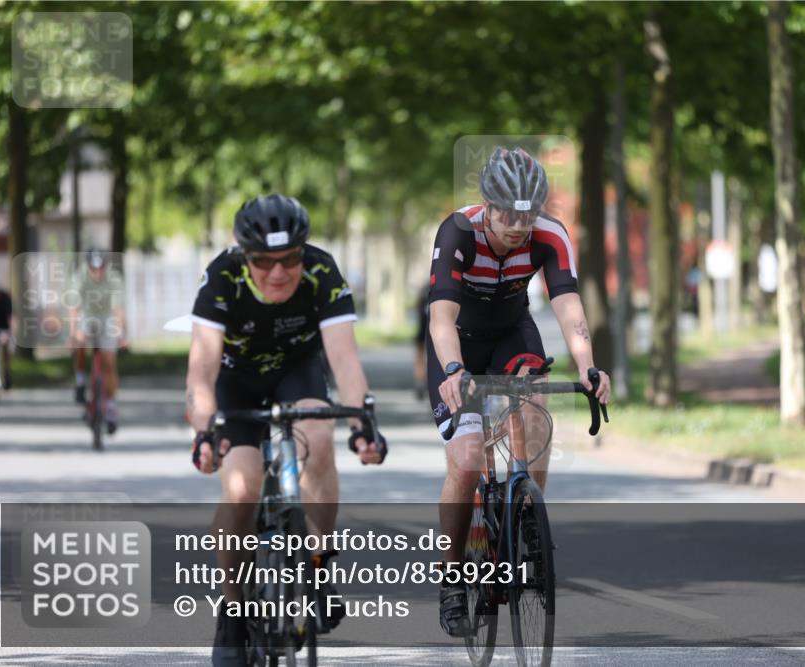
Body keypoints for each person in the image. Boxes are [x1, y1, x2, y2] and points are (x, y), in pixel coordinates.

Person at [184, 194, 387, 667]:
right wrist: (204, 431)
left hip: (298, 372)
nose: (279, 272)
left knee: (319, 437)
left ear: (303, 252)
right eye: (263, 261)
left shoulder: (321, 272)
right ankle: (233, 610)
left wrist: (362, 424)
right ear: (244, 256)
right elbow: (201, 370)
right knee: (241, 488)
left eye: (290, 259)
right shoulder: (221, 277)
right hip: (237, 381)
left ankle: (316, 565)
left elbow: (344, 359)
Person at [427, 147, 611, 636]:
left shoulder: (550, 235)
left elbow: (568, 305)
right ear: (486, 204)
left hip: (511, 331)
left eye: (527, 213)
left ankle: (527, 519)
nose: (516, 223)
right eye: (506, 211)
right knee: (466, 461)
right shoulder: (458, 232)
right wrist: (452, 370)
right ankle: (450, 578)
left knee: (535, 405)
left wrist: (589, 367)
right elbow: (441, 315)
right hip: (458, 343)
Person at [69, 249, 126, 433]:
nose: (97, 273)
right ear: (87, 266)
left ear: (106, 266)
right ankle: (79, 381)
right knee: (78, 343)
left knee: (109, 361)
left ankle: (109, 405)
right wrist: (73, 332)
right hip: (87, 315)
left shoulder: (113, 278)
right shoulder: (80, 276)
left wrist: (121, 333)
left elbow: (118, 308)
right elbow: (74, 306)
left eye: (101, 268)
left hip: (107, 317)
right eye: (94, 269)